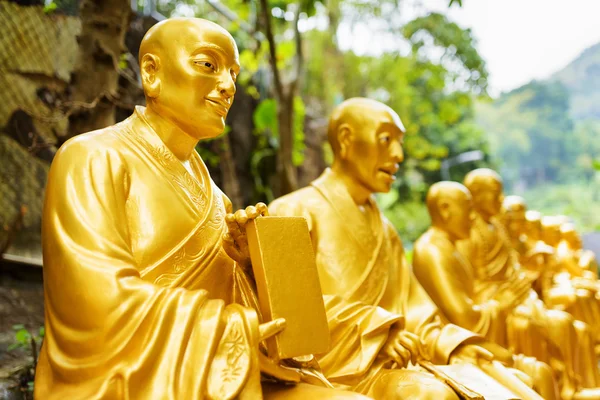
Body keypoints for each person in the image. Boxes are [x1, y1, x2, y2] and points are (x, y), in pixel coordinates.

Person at [34, 18, 367, 400]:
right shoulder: (92, 158)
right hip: (140, 376)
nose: (227, 86)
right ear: (151, 72)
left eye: (233, 74)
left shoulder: (216, 199)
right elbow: (92, 305)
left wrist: (249, 267)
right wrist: (229, 329)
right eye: (208, 65)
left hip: (218, 366)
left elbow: (251, 312)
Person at [270, 98, 548, 400]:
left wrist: (454, 345)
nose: (398, 154)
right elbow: (291, 320)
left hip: (400, 360)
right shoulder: (290, 210)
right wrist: (377, 333)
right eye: (386, 139)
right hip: (336, 372)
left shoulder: (384, 228)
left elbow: (414, 310)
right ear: (347, 140)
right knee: (431, 395)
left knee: (520, 379)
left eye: (400, 143)